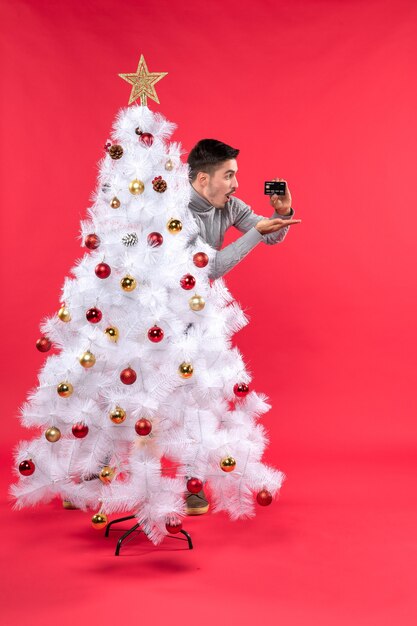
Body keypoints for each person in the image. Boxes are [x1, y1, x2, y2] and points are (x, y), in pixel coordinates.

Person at [184, 139, 302, 515]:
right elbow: (210, 268)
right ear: (204, 180)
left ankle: (192, 484)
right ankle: (92, 472)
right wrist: (258, 232)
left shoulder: (228, 205)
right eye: (229, 176)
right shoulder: (176, 213)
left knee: (198, 401)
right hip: (158, 316)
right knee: (144, 398)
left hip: (199, 315)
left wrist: (282, 212)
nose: (236, 185)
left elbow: (271, 232)